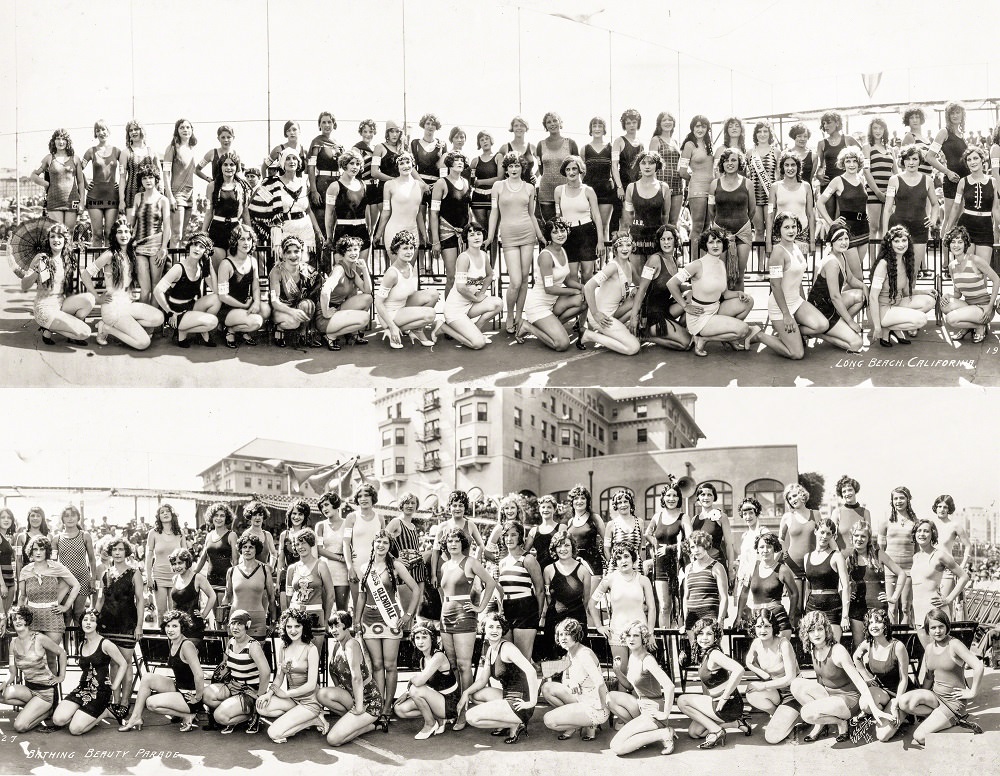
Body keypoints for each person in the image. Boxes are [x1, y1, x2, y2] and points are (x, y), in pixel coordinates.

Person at [790, 610, 891, 743]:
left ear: (826, 630)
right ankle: (824, 723)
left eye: (820, 629)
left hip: (848, 699)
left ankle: (842, 723)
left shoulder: (838, 650)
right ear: (806, 633)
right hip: (829, 695)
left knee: (807, 713)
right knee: (796, 685)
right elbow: (820, 679)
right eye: (811, 630)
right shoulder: (814, 648)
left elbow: (859, 682)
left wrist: (873, 709)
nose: (816, 634)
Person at [435, 527, 497, 729]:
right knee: (452, 665)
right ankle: (454, 707)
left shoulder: (470, 562)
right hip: (446, 617)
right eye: (450, 541)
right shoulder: (445, 565)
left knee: (464, 665)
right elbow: (444, 592)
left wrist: (480, 608)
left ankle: (464, 711)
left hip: (464, 617)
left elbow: (490, 583)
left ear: (463, 543)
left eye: (456, 541)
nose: (453, 544)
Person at [666, 227, 762, 356]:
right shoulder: (697, 265)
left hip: (715, 309)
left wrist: (739, 293)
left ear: (724, 243)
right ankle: (703, 338)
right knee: (743, 330)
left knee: (748, 301)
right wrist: (685, 306)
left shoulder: (721, 264)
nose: (715, 245)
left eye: (718, 241)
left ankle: (728, 336)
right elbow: (671, 283)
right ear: (705, 245)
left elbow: (725, 293)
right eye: (711, 242)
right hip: (700, 317)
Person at [356, 530, 420, 720]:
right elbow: (361, 596)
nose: (381, 545)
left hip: (391, 620)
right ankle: (378, 704)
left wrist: (408, 615)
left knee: (390, 665)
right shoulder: (365, 567)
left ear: (390, 546)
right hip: (369, 620)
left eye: (385, 542)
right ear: (373, 544)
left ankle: (387, 708)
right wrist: (356, 621)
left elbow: (416, 589)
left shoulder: (396, 566)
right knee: (377, 665)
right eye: (378, 541)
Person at [897, 608, 985, 746]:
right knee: (904, 702)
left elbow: (978, 666)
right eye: (933, 628)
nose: (937, 631)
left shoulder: (954, 644)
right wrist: (922, 697)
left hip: (953, 702)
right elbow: (929, 678)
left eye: (941, 626)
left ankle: (965, 729)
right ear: (928, 629)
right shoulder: (929, 648)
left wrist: (972, 692)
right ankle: (939, 720)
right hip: (936, 697)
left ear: (947, 627)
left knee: (920, 737)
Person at [81, 218, 165, 350]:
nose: (123, 235)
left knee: (159, 317)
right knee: (143, 343)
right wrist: (97, 298)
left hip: (127, 305)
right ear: (114, 235)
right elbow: (85, 274)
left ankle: (122, 327)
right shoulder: (109, 254)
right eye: (119, 232)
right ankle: (107, 328)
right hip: (113, 308)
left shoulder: (131, 254)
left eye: (126, 232)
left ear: (131, 234)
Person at [457, 608, 539, 744]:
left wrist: (532, 702)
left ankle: (515, 723)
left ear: (503, 630)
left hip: (520, 703)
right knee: (473, 695)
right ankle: (507, 721)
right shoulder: (491, 649)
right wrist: (465, 693)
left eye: (498, 627)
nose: (495, 630)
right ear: (484, 629)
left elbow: (531, 671)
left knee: (471, 717)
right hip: (507, 696)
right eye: (491, 627)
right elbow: (482, 680)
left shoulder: (508, 648)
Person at [487, 152, 545, 334]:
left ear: (522, 168)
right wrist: (490, 236)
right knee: (515, 281)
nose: (513, 169)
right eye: (510, 166)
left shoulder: (530, 188)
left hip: (527, 234)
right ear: (506, 169)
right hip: (508, 237)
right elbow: (494, 213)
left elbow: (532, 215)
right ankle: (510, 315)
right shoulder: (498, 186)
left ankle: (519, 316)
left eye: (517, 166)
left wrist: (540, 236)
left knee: (525, 279)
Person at [119, 610, 205, 732]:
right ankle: (136, 717)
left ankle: (187, 715)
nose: (170, 630)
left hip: (189, 696)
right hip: (179, 687)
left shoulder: (187, 645)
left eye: (175, 626)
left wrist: (197, 698)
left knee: (151, 703)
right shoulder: (173, 641)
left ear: (182, 627)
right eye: (168, 626)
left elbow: (199, 675)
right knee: (147, 678)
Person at [676, 616, 752, 748]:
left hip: (726, 705)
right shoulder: (705, 652)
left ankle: (717, 731)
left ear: (715, 636)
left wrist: (724, 697)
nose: (704, 638)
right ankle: (737, 723)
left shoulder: (714, 654)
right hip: (721, 705)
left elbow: (739, 669)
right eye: (701, 633)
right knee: (695, 732)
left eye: (709, 633)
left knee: (682, 700)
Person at [254, 607, 327, 742]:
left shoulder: (311, 649)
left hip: (309, 701)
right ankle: (297, 717)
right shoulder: (283, 646)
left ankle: (314, 719)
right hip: (293, 700)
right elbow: (279, 676)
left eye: (297, 626)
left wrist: (286, 694)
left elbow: (311, 685)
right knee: (262, 707)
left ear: (304, 626)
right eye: (289, 626)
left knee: (274, 734)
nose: (293, 630)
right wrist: (269, 694)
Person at [14, 222, 94, 346]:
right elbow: (24, 285)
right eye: (52, 236)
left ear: (65, 240)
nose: (56, 240)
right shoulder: (41, 258)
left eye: (59, 236)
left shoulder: (68, 258)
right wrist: (36, 271)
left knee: (89, 299)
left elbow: (73, 286)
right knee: (85, 332)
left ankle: (57, 328)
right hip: (45, 309)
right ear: (48, 240)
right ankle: (50, 327)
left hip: (61, 305)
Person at [51, 607, 127, 734]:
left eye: (92, 620)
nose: (88, 623)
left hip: (100, 692)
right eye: (85, 620)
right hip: (82, 689)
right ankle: (83, 712)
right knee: (58, 720)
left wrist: (114, 686)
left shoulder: (105, 643)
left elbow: (123, 663)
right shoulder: (82, 644)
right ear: (81, 622)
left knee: (75, 729)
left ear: (97, 624)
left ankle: (104, 712)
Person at [606, 621, 676, 755]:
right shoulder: (633, 656)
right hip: (641, 705)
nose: (631, 639)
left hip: (653, 710)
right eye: (628, 635)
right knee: (610, 697)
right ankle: (643, 732)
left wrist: (665, 714)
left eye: (636, 635)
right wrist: (617, 672)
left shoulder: (647, 660)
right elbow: (629, 686)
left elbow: (669, 686)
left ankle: (663, 733)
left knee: (616, 747)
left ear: (643, 638)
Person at [514, 217, 585, 351]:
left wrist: (582, 287)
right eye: (555, 232)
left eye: (562, 231)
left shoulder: (562, 250)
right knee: (562, 344)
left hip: (553, 303)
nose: (560, 235)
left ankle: (553, 326)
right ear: (549, 235)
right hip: (538, 306)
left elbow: (567, 280)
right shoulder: (546, 256)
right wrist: (574, 291)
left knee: (583, 300)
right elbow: (549, 288)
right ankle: (528, 326)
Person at [317, 609, 387, 745]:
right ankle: (354, 722)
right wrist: (341, 693)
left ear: (346, 625)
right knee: (321, 694)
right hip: (351, 695)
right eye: (331, 626)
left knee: (333, 739)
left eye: (337, 625)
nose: (333, 630)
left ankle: (373, 725)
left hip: (368, 700)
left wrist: (359, 707)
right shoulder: (337, 645)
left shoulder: (351, 644)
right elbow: (333, 672)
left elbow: (357, 678)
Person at [435, 222, 503, 348]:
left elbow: (489, 275)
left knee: (498, 303)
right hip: (455, 310)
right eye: (472, 235)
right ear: (466, 238)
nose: (476, 237)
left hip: (470, 306)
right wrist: (476, 299)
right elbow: (461, 288)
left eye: (479, 234)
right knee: (478, 344)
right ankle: (443, 327)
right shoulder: (464, 258)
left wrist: (482, 292)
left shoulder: (483, 255)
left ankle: (476, 330)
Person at [589, 546, 655, 674]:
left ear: (633, 558)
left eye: (626, 556)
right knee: (621, 672)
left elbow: (652, 608)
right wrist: (599, 626)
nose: (623, 561)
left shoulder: (643, 580)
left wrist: (650, 633)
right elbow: (592, 604)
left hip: (639, 632)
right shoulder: (609, 579)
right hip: (617, 632)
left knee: (638, 674)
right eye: (619, 558)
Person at [203, 609, 271, 734]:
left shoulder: (253, 646)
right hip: (233, 685)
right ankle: (235, 713)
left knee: (219, 717)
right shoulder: (231, 642)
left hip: (249, 690)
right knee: (206, 694)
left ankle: (253, 714)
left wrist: (259, 696)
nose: (235, 627)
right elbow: (225, 664)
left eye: (240, 624)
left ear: (247, 626)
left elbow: (266, 672)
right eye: (233, 623)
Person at [541, 618, 609, 741]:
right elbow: (567, 681)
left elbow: (600, 683)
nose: (563, 638)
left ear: (575, 635)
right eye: (561, 634)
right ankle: (577, 723)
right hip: (581, 697)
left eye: (567, 634)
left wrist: (602, 706)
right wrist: (572, 682)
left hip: (594, 706)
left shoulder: (584, 654)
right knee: (547, 688)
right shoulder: (570, 653)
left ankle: (587, 724)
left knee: (549, 720)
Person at [1, 606, 67, 732]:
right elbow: (12, 672)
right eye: (14, 619)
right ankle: (35, 708)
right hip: (29, 689)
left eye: (21, 618)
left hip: (45, 691)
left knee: (20, 726)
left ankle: (47, 711)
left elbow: (62, 653)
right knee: (3, 695)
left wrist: (61, 676)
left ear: (27, 620)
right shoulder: (13, 643)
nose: (17, 621)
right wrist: (4, 683)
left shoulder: (39, 638)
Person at [18, 535, 79, 673]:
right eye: (35, 549)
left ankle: (53, 687)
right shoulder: (25, 570)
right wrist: (21, 618)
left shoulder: (56, 567)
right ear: (30, 552)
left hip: (53, 617)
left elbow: (76, 585)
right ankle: (34, 687)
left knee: (51, 658)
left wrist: (66, 606)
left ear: (47, 551)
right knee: (34, 658)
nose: (38, 552)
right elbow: (22, 597)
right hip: (32, 618)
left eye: (42, 549)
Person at [845, 521, 909, 649]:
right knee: (860, 647)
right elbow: (842, 583)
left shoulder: (878, 554)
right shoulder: (849, 558)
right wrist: (849, 594)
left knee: (879, 645)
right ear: (852, 537)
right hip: (857, 608)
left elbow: (902, 574)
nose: (859, 539)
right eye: (856, 535)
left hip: (877, 606)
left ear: (869, 538)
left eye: (863, 536)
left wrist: (894, 597)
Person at [869, 226, 935, 347]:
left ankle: (890, 328)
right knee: (921, 319)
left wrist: (925, 291)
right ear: (889, 244)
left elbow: (906, 292)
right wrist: (877, 326)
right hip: (883, 309)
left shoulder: (904, 261)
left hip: (897, 303)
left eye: (904, 240)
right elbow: (873, 297)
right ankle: (885, 328)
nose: (901, 244)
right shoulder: (883, 264)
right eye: (896, 241)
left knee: (930, 301)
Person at [153, 231, 221, 348]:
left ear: (205, 252)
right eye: (194, 245)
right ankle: (183, 331)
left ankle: (191, 329)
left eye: (201, 247)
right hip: (176, 312)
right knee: (212, 322)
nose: (197, 249)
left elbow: (215, 290)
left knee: (217, 298)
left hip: (190, 307)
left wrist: (209, 265)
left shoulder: (201, 267)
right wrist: (170, 312)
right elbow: (157, 290)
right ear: (189, 246)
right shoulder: (178, 268)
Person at [629, 224, 692, 350]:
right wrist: (634, 317)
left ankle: (676, 329)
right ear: (659, 241)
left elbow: (676, 287)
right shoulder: (654, 260)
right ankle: (646, 336)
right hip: (652, 314)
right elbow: (642, 290)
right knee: (686, 343)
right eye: (663, 239)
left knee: (692, 296)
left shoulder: (673, 259)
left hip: (666, 307)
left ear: (675, 240)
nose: (666, 242)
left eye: (669, 239)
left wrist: (695, 288)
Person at [743, 607, 800, 744]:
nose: (763, 630)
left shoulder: (783, 643)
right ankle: (778, 715)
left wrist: (764, 685)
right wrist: (764, 675)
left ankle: (798, 717)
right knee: (751, 692)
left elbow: (790, 678)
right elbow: (748, 662)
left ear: (773, 626)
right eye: (759, 626)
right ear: (754, 627)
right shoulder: (756, 643)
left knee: (772, 738)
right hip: (775, 690)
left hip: (792, 693)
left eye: (767, 626)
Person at [392, 622, 459, 739]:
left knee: (415, 690)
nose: (420, 641)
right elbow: (425, 683)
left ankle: (430, 724)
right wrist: (407, 693)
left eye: (424, 637)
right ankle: (439, 719)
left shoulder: (438, 656)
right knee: (399, 709)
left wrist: (411, 680)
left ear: (432, 639)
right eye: (417, 638)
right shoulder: (423, 660)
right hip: (437, 700)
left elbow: (418, 682)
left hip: (450, 704)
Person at [805, 224, 865, 353]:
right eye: (839, 239)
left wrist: (865, 287)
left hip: (831, 305)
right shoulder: (832, 262)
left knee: (861, 296)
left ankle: (838, 326)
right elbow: (835, 297)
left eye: (846, 239)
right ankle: (819, 333)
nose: (844, 242)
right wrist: (850, 322)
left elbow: (850, 279)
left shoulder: (842, 255)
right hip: (822, 310)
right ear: (831, 242)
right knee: (857, 344)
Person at [852, 608, 910, 742]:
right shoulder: (868, 644)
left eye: (878, 622)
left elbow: (904, 679)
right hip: (881, 691)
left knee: (882, 736)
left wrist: (896, 705)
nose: (874, 626)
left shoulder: (898, 647)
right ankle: (882, 711)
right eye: (870, 622)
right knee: (865, 704)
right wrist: (866, 678)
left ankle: (904, 713)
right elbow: (856, 658)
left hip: (898, 693)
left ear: (885, 625)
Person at [374, 230, 438, 349]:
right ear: (396, 250)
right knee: (430, 314)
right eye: (405, 248)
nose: (409, 252)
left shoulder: (409, 266)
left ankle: (417, 330)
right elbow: (378, 302)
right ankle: (392, 330)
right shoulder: (392, 274)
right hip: (389, 314)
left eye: (411, 248)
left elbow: (409, 293)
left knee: (433, 294)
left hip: (402, 306)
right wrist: (391, 326)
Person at [910, 519, 969, 648]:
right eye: (919, 531)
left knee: (940, 652)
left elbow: (964, 577)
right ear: (914, 533)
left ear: (933, 534)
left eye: (926, 531)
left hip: (934, 610)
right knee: (928, 653)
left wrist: (948, 599)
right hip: (918, 611)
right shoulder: (916, 557)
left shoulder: (939, 555)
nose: (922, 534)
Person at [881, 144, 938, 277]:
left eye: (914, 159)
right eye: (907, 159)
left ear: (920, 161)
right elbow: (887, 209)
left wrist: (933, 220)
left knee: (913, 272)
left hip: (919, 229)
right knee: (896, 270)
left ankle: (910, 291)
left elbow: (935, 204)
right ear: (903, 161)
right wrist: (885, 232)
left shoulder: (928, 180)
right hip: (898, 229)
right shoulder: (894, 180)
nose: (911, 162)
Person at [817, 147, 871, 280]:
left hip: (864, 229)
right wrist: (831, 222)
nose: (851, 164)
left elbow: (861, 201)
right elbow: (820, 203)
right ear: (843, 163)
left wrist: (866, 214)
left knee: (852, 276)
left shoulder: (862, 179)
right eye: (848, 161)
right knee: (858, 276)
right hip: (847, 232)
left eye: (854, 161)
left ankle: (845, 293)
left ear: (859, 163)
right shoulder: (837, 181)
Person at [581, 234, 640, 354]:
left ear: (632, 247)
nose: (625, 248)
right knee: (633, 347)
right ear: (615, 248)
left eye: (628, 245)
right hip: (602, 316)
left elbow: (642, 286)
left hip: (614, 312)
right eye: (620, 245)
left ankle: (611, 332)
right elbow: (588, 287)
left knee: (639, 298)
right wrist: (595, 313)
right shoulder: (612, 267)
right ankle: (588, 335)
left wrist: (637, 288)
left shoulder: (630, 266)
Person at [555, 153, 605, 295]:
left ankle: (586, 309)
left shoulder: (588, 190)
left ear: (580, 170)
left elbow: (597, 216)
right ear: (564, 172)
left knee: (587, 275)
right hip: (568, 234)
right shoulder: (559, 191)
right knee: (572, 276)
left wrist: (600, 240)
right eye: (568, 169)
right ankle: (576, 305)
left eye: (574, 169)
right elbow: (558, 216)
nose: (571, 172)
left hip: (587, 232)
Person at [940, 226, 999, 344]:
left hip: (983, 308)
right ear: (948, 244)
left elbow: (996, 280)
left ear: (965, 244)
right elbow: (958, 294)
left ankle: (979, 326)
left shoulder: (975, 260)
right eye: (953, 242)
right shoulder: (952, 266)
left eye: (960, 242)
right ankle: (973, 326)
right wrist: (947, 295)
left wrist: (989, 306)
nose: (956, 245)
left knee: (950, 319)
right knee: (944, 306)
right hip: (968, 305)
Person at [942, 147, 1000, 268]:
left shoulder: (993, 182)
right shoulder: (963, 182)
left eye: (975, 158)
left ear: (982, 160)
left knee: (983, 269)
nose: (972, 162)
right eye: (969, 160)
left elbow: (995, 209)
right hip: (966, 226)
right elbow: (956, 207)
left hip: (985, 227)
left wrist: (998, 227)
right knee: (966, 268)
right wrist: (948, 228)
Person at [734, 533, 798, 639]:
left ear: (774, 548)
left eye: (769, 547)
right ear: (757, 549)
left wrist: (791, 616)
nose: (765, 550)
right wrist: (738, 616)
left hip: (778, 620)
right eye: (762, 547)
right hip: (758, 620)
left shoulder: (782, 570)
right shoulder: (752, 568)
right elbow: (744, 593)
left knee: (781, 649)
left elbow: (794, 593)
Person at [265, 148, 323, 263]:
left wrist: (318, 231)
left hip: (304, 228)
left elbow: (308, 210)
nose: (291, 161)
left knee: (304, 262)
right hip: (284, 228)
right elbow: (261, 207)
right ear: (282, 162)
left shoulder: (303, 182)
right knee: (286, 263)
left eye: (294, 158)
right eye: (288, 159)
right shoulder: (274, 183)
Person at [315, 235, 372, 351]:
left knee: (367, 298)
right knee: (364, 318)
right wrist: (326, 313)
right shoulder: (339, 269)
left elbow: (367, 290)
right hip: (324, 317)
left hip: (337, 309)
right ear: (343, 253)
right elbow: (325, 292)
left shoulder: (351, 270)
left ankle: (353, 334)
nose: (353, 253)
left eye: (355, 249)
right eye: (349, 250)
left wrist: (364, 269)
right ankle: (330, 336)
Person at [497, 521, 544, 662]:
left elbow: (540, 590)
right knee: (508, 659)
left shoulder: (528, 559)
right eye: (506, 535)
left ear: (520, 537)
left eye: (513, 535)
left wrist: (539, 615)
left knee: (522, 660)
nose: (509, 539)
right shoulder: (502, 562)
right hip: (507, 609)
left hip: (525, 609)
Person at [709, 148, 754, 291]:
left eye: (733, 160)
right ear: (722, 164)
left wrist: (741, 223)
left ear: (739, 162)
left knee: (739, 276)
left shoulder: (748, 183)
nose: (730, 163)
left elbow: (752, 210)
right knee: (722, 275)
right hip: (720, 234)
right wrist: (719, 228)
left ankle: (739, 304)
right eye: (726, 160)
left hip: (742, 233)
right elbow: (711, 210)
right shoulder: (714, 184)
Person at [645, 482, 690, 628]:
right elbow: (647, 534)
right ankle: (666, 641)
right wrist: (656, 545)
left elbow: (690, 541)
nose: (671, 498)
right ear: (663, 498)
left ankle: (682, 640)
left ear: (679, 498)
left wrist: (669, 549)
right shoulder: (657, 516)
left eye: (675, 495)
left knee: (680, 606)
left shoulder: (683, 517)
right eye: (668, 495)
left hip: (678, 566)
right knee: (664, 606)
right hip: (660, 566)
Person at [429, 151, 473, 296]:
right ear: (449, 163)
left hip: (464, 235)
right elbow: (434, 213)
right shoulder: (441, 183)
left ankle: (461, 307)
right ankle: (448, 308)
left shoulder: (466, 182)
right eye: (456, 160)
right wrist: (436, 241)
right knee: (452, 277)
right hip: (447, 234)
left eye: (462, 160)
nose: (459, 162)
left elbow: (468, 210)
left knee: (464, 278)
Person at [217, 224, 267, 348]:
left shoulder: (253, 261)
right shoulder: (226, 264)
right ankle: (230, 330)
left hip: (245, 306)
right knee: (256, 322)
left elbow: (255, 287)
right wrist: (243, 306)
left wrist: (256, 302)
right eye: (242, 239)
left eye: (249, 239)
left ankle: (240, 329)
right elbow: (223, 296)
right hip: (228, 309)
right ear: (235, 242)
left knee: (266, 311)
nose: (246, 243)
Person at [285, 528, 335, 651]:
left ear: (311, 543)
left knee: (314, 656)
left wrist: (326, 619)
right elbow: (288, 596)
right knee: (296, 656)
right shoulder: (292, 568)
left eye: (303, 543)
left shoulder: (321, 565)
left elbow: (330, 595)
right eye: (297, 544)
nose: (300, 547)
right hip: (296, 616)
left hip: (315, 616)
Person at [128, 161, 171, 303]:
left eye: (150, 177)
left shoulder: (163, 200)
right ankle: (142, 316)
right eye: (144, 178)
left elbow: (167, 226)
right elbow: (131, 222)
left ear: (156, 179)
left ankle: (154, 317)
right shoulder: (138, 197)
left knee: (155, 287)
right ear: (141, 181)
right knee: (145, 289)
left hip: (156, 246)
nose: (147, 180)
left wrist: (164, 248)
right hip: (140, 245)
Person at [803, 517, 851, 642]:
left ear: (832, 536)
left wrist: (845, 615)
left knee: (833, 645)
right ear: (815, 531)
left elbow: (846, 586)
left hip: (832, 608)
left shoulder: (836, 556)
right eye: (822, 532)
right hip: (812, 607)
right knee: (814, 646)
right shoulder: (807, 557)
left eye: (829, 534)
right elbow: (808, 587)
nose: (824, 536)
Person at [268, 235, 321, 347]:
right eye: (289, 252)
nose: (293, 255)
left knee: (309, 304)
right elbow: (274, 301)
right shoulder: (276, 271)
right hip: (281, 309)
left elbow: (320, 284)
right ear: (283, 255)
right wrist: (292, 311)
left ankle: (303, 334)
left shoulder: (307, 270)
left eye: (296, 251)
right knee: (293, 322)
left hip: (298, 306)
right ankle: (279, 329)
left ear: (301, 253)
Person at [323, 149, 371, 269]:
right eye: (351, 163)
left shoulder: (363, 185)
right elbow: (329, 214)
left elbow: (367, 211)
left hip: (362, 232)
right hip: (343, 232)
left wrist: (369, 231)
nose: (355, 167)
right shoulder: (334, 186)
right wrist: (329, 237)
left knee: (359, 271)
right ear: (344, 165)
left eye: (357, 164)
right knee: (343, 271)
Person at [30, 129, 86, 230]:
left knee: (69, 233)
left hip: (72, 201)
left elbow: (81, 182)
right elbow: (34, 175)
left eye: (63, 139)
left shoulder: (75, 159)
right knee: (58, 232)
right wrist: (45, 183)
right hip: (54, 201)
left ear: (68, 142)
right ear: (53, 141)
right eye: (58, 139)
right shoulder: (48, 158)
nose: (61, 142)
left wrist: (82, 202)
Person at [925, 102, 969, 228]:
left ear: (962, 115)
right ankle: (944, 242)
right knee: (949, 219)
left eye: (957, 112)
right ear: (948, 116)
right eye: (952, 113)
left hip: (965, 181)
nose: (955, 116)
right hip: (952, 180)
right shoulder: (944, 132)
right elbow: (929, 157)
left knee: (960, 219)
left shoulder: (961, 134)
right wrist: (947, 172)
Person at [203, 151, 250, 267]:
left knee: (233, 268)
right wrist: (203, 232)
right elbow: (209, 212)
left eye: (232, 164)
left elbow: (245, 213)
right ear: (220, 166)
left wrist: (249, 231)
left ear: (236, 167)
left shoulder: (242, 186)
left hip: (235, 230)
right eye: (225, 164)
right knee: (218, 267)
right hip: (217, 229)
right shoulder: (212, 186)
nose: (228, 168)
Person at [543, 531, 593, 637]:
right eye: (559, 546)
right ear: (554, 549)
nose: (563, 549)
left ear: (573, 547)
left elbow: (586, 599)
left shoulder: (583, 570)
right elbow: (548, 598)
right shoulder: (548, 570)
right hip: (554, 620)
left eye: (566, 545)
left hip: (576, 620)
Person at [142, 504, 187, 624]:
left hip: (177, 576)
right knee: (161, 612)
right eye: (162, 512)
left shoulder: (180, 533)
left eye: (168, 511)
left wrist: (187, 577)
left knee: (175, 612)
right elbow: (148, 556)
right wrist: (148, 577)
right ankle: (161, 635)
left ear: (172, 514)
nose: (165, 513)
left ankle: (174, 636)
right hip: (159, 576)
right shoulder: (153, 533)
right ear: (158, 516)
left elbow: (186, 556)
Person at [53, 504, 97, 626]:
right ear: (62, 519)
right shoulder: (57, 538)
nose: (70, 518)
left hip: (82, 579)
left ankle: (79, 639)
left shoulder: (85, 535)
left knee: (78, 614)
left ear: (78, 517)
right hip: (64, 581)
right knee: (66, 614)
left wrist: (93, 579)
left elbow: (92, 559)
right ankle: (66, 640)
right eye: (66, 516)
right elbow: (53, 563)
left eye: (73, 515)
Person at [343, 485, 385, 610]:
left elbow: (384, 543)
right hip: (357, 567)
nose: (363, 499)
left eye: (366, 495)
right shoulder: (351, 517)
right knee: (357, 607)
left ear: (373, 497)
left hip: (377, 567)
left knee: (376, 607)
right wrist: (350, 567)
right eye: (360, 496)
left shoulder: (380, 518)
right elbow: (346, 543)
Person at [225, 534, 274, 640]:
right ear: (240, 549)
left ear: (256, 550)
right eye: (244, 547)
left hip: (257, 622)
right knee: (236, 651)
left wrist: (273, 621)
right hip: (236, 621)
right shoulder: (232, 571)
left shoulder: (265, 570)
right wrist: (222, 616)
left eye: (251, 547)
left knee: (256, 650)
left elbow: (271, 597)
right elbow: (227, 597)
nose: (247, 550)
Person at [766, 151, 815, 256]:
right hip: (779, 234)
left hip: (802, 235)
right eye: (786, 165)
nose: (790, 168)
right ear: (782, 167)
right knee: (779, 265)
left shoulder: (806, 186)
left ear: (798, 167)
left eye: (793, 165)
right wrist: (768, 242)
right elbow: (770, 215)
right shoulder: (775, 187)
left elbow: (811, 215)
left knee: (800, 265)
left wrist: (812, 241)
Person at [81, 119, 121, 246]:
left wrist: (121, 184)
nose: (101, 132)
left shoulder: (117, 151)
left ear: (108, 131)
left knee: (109, 234)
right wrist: (86, 184)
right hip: (94, 197)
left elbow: (127, 169)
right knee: (97, 234)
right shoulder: (90, 151)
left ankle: (109, 260)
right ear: (95, 133)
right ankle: (97, 260)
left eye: (103, 129)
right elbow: (77, 169)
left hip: (112, 196)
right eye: (98, 130)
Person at [679, 116, 714, 258]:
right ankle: (694, 263)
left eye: (703, 126)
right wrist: (695, 180)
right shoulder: (689, 145)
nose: (700, 129)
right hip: (697, 189)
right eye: (697, 126)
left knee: (706, 227)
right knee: (697, 227)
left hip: (711, 190)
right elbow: (682, 171)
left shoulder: (709, 144)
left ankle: (703, 261)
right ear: (692, 128)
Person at [168, 548, 216, 646]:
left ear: (187, 562)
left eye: (180, 563)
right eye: (174, 564)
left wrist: (204, 614)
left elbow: (212, 596)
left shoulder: (198, 578)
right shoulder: (175, 578)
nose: (177, 566)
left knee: (188, 652)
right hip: (176, 627)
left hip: (193, 627)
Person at [563, 484, 606, 593]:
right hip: (574, 564)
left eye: (583, 498)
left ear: (587, 501)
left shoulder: (595, 518)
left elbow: (606, 541)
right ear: (572, 502)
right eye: (576, 498)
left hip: (593, 564)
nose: (579, 501)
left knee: (591, 599)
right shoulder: (570, 521)